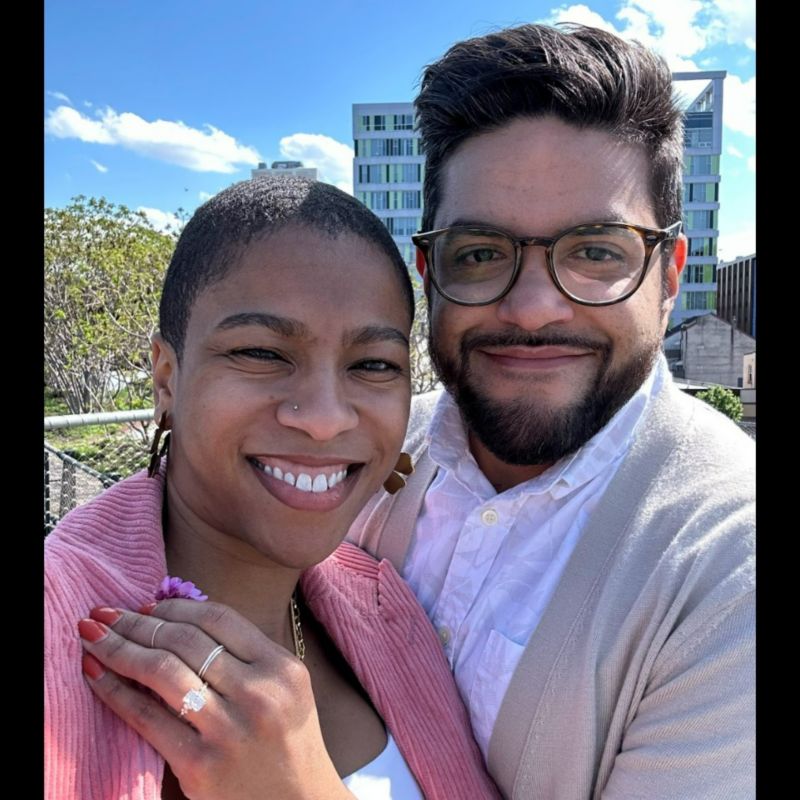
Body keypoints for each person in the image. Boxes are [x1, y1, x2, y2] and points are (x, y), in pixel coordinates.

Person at [348, 23, 755, 799]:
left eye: (596, 251)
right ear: (429, 270)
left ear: (669, 276)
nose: (532, 307)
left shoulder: (729, 565)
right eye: (480, 253)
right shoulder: (371, 446)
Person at [45, 177, 500, 800]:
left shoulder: (387, 609)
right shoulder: (56, 620)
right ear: (166, 377)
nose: (325, 418)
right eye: (261, 352)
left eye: (373, 364)